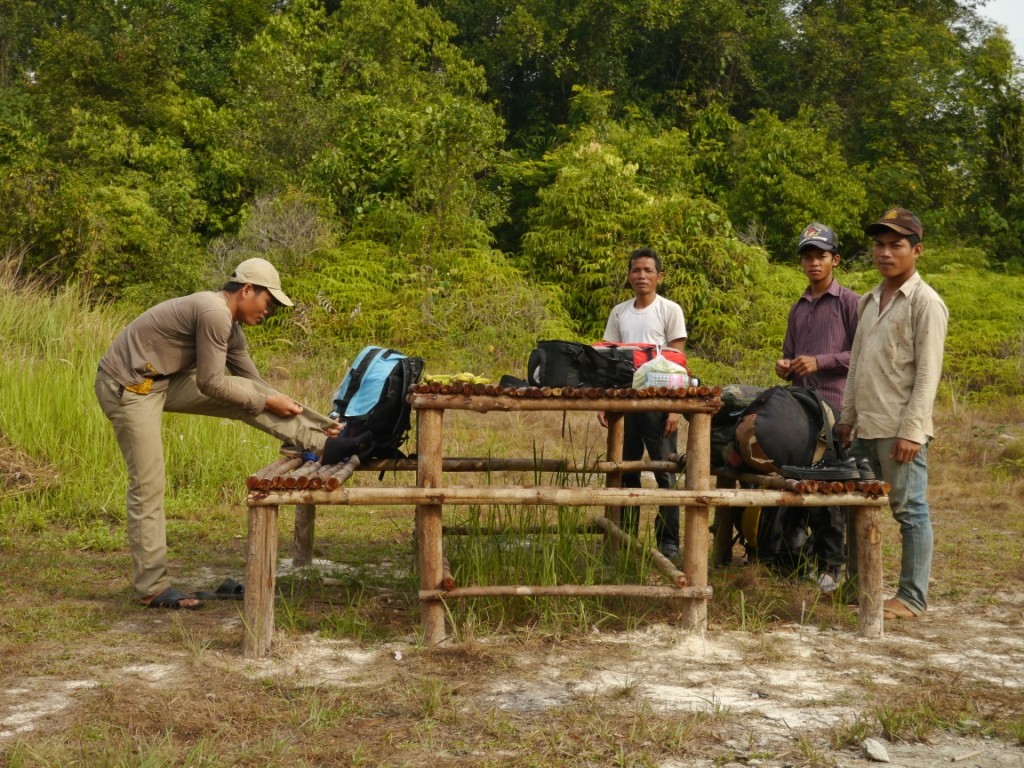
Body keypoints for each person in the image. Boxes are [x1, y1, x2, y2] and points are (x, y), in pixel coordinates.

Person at [95, 258, 340, 610]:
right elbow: (212, 383)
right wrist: (266, 397)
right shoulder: (213, 312)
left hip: (161, 381)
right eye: (268, 301)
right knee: (148, 482)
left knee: (247, 395)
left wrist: (318, 422)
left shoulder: (232, 329)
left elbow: (255, 387)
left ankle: (325, 442)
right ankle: (152, 586)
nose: (269, 310)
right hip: (128, 386)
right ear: (246, 290)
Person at [837, 208, 948, 620]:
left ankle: (912, 598)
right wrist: (846, 418)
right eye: (879, 245)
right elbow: (857, 366)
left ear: (916, 251)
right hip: (865, 424)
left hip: (898, 429)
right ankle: (859, 585)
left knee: (910, 511)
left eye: (896, 245)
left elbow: (927, 374)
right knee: (858, 507)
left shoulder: (925, 303)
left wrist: (913, 430)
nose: (885, 253)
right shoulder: (869, 301)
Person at [772, 223, 860, 591]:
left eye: (820, 256)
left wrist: (820, 362)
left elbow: (861, 354)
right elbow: (791, 355)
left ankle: (831, 565)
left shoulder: (850, 302)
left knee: (829, 488)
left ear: (835, 260)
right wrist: (786, 364)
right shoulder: (798, 307)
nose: (813, 263)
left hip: (836, 409)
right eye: (807, 256)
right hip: (800, 410)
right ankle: (793, 560)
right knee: (795, 481)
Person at [598, 247, 688, 559]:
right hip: (625, 402)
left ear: (659, 276)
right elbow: (610, 358)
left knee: (665, 472)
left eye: (648, 271)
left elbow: (678, 361)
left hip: (660, 403)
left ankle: (668, 541)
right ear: (629, 276)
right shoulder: (619, 312)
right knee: (626, 471)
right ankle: (625, 537)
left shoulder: (669, 310)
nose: (642, 276)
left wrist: (675, 406)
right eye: (636, 270)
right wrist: (606, 402)